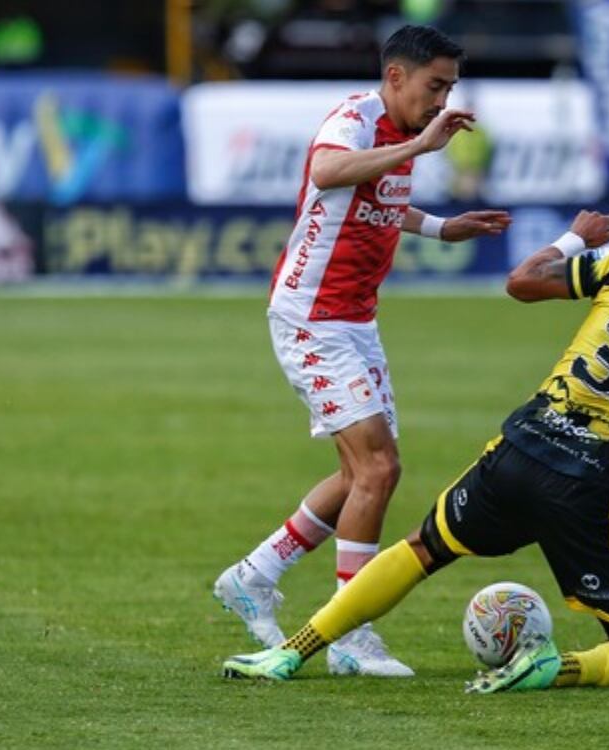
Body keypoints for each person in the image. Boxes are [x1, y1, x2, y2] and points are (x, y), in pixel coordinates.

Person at [221, 184, 609, 691]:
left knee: (422, 549)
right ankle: (555, 668)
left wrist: (574, 237)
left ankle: (292, 649)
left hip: (522, 447)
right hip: (593, 490)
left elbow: (523, 281)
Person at [213, 24, 512, 678]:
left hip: (354, 320)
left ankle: (253, 576)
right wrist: (423, 144)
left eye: (450, 88)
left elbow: (383, 199)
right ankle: (351, 629)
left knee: (367, 474)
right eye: (435, 86)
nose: (442, 100)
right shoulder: (356, 119)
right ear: (397, 77)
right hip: (312, 316)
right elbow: (326, 171)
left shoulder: (404, 135)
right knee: (376, 468)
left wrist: (441, 227)